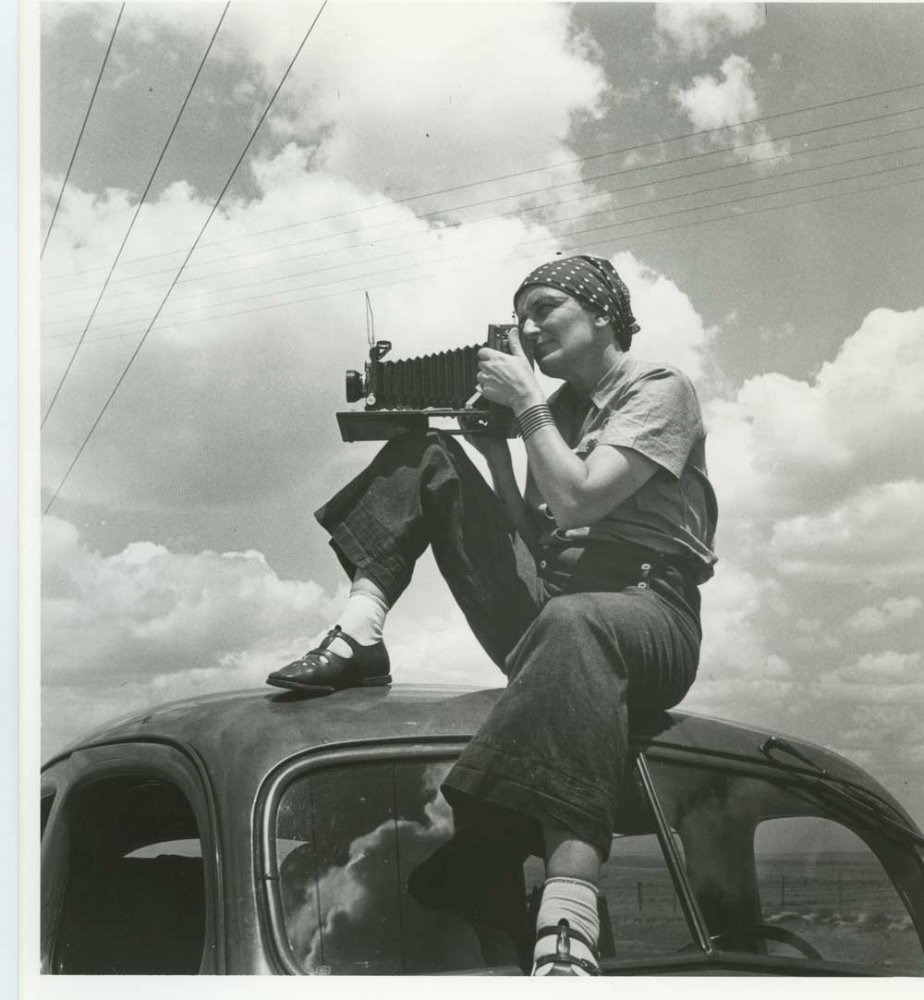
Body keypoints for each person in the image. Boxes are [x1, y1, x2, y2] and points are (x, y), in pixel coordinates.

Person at [267, 254, 718, 975]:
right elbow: (542, 532)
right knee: (433, 453)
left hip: (646, 612)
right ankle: (361, 628)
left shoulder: (659, 389)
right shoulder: (563, 413)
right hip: (557, 605)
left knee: (578, 626)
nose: (530, 329)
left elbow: (579, 500)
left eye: (546, 309)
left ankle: (566, 924)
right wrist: (495, 456)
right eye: (522, 317)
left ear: (602, 312)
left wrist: (528, 408)